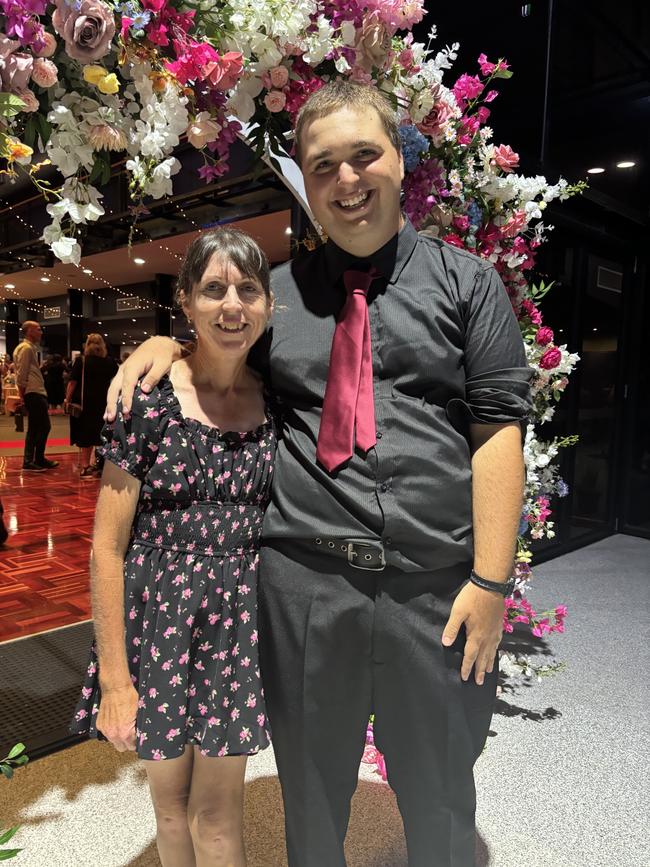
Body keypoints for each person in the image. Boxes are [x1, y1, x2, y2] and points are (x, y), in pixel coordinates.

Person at [107, 81, 533, 867]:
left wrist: (492, 581)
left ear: (399, 162)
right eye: (323, 163)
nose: (346, 179)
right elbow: (215, 359)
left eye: (364, 154)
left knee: (440, 787)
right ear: (305, 178)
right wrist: (162, 347)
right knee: (309, 794)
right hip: (304, 590)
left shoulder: (469, 285)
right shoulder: (280, 302)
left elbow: (496, 432)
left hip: (434, 592)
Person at [72, 227, 275, 867]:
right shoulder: (148, 401)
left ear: (269, 304)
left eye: (248, 289)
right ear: (185, 301)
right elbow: (107, 547)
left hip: (238, 626)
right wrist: (114, 677)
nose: (232, 306)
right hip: (158, 621)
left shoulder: (278, 399)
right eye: (213, 290)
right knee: (170, 809)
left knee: (217, 816)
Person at [64, 335, 119, 478]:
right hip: (104, 403)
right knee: (102, 435)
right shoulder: (110, 362)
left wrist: (67, 399)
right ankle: (101, 465)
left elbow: (72, 382)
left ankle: (85, 466)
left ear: (86, 345)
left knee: (85, 435)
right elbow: (118, 379)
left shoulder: (81, 361)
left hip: (84, 404)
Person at [13, 321, 59, 472]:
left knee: (36, 427)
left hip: (34, 392)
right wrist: (21, 396)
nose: (41, 332)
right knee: (43, 427)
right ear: (30, 332)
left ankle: (35, 459)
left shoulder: (28, 348)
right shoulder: (26, 348)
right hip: (33, 392)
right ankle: (31, 460)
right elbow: (21, 374)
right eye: (38, 329)